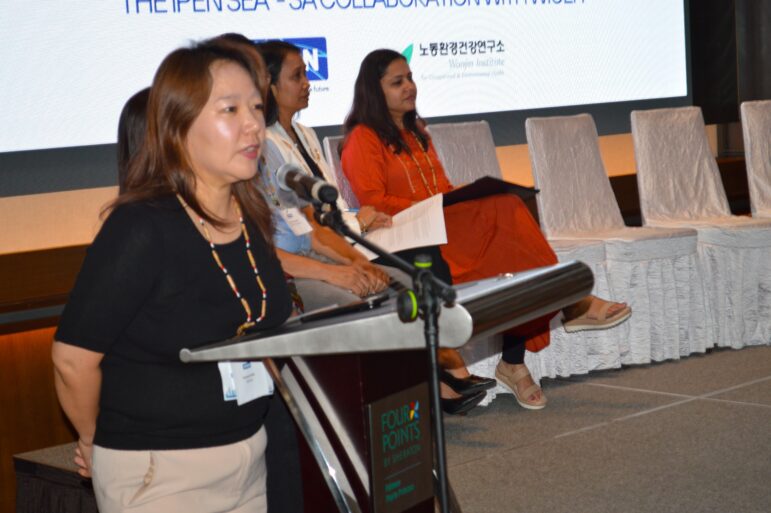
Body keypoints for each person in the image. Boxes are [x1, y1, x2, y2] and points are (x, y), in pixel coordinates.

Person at [52, 41, 292, 512]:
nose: (253, 125)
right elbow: (72, 360)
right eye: (230, 109)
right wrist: (94, 439)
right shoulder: (142, 227)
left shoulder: (248, 215)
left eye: (256, 107)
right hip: (158, 474)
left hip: (249, 459)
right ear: (178, 128)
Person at [341, 49, 632, 410]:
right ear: (374, 90)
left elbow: (441, 187)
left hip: (437, 224)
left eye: (411, 78)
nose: (409, 87)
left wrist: (457, 196)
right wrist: (439, 205)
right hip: (403, 236)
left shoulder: (417, 131)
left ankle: (518, 356)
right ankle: (562, 311)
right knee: (504, 213)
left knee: (508, 227)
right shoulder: (363, 137)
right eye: (397, 82)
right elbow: (374, 203)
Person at [255, 40, 495, 414]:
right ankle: (437, 380)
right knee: (395, 284)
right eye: (297, 75)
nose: (307, 82)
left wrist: (357, 244)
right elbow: (302, 228)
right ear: (269, 85)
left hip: (338, 240)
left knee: (414, 275)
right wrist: (353, 250)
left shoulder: (305, 133)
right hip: (305, 262)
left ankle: (441, 380)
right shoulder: (265, 148)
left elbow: (324, 215)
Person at [114, 78, 303, 513]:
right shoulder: (138, 235)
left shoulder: (236, 216)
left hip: (253, 412)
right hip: (182, 442)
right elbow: (78, 357)